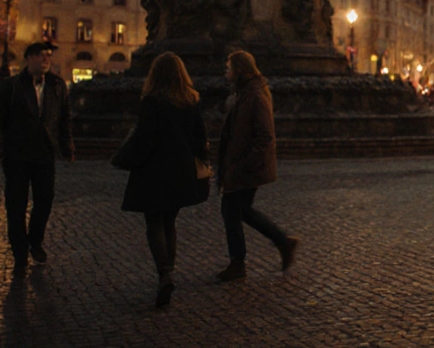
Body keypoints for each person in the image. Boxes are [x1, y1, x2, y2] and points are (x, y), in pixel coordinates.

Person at [111, 52, 210, 307]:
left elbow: (144, 138)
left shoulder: (152, 101)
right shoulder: (191, 100)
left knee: (154, 222)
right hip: (181, 171)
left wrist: (126, 159)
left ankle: (164, 274)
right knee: (169, 222)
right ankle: (169, 271)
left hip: (154, 170)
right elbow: (200, 138)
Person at [0, 41, 73, 273]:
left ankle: (35, 240)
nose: (46, 59)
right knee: (16, 206)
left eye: (48, 55)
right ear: (29, 58)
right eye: (41, 55)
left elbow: (63, 118)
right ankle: (20, 255)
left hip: (44, 153)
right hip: (17, 154)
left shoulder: (57, 85)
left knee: (45, 199)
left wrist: (66, 144)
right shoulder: (11, 86)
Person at [216, 50, 300, 282]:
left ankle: (239, 263)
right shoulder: (244, 93)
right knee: (240, 210)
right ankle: (282, 242)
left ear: (239, 69)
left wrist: (246, 163)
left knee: (232, 209)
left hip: (246, 165)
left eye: (229, 68)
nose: (226, 72)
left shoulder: (255, 94)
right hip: (240, 163)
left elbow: (265, 136)